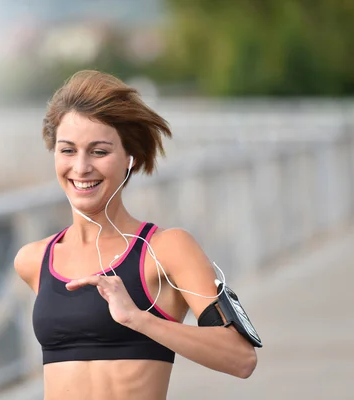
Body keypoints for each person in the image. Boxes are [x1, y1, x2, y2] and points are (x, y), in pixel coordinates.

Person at [14, 70, 257, 400]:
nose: (81, 167)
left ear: (130, 158)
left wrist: (139, 320)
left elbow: (241, 358)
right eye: (67, 150)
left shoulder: (166, 249)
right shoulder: (34, 259)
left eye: (99, 152)